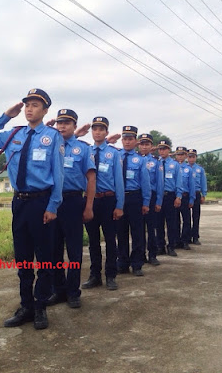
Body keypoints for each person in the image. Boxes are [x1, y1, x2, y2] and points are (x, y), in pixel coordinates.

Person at [0, 88, 64, 330]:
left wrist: (53, 205)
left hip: (41, 202)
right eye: (27, 105)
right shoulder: (13, 135)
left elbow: (58, 174)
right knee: (23, 258)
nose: (29, 109)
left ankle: (41, 306)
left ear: (45, 111)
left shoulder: (52, 137)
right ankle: (26, 306)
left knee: (44, 258)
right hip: (19, 203)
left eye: (35, 105)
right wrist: (5, 116)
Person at [47, 109, 96, 308]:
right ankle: (58, 290)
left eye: (67, 123)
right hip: (52, 203)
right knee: (53, 249)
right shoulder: (50, 144)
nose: (62, 126)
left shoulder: (83, 149)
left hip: (74, 202)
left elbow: (91, 178)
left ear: (75, 126)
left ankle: (73, 291)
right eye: (59, 123)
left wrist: (89, 206)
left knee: (74, 250)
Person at [82, 117, 124, 290]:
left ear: (106, 132)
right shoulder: (85, 151)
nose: (97, 132)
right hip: (90, 201)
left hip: (108, 200)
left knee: (110, 240)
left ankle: (111, 275)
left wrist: (119, 205)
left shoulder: (113, 153)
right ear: (92, 132)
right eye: (95, 129)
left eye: (101, 129)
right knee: (93, 241)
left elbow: (119, 181)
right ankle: (95, 275)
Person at [117, 126, 151, 276]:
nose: (127, 141)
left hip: (134, 197)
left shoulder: (140, 160)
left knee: (137, 232)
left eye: (130, 139)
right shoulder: (116, 156)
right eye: (125, 139)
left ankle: (137, 264)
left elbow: (145, 183)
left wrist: (146, 202)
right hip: (119, 198)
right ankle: (122, 263)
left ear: (135, 141)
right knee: (121, 232)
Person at [138, 133, 163, 265]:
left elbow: (160, 183)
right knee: (139, 228)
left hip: (152, 197)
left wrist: (158, 201)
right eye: (142, 144)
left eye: (147, 144)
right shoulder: (134, 159)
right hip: (138, 196)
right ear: (138, 145)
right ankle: (140, 255)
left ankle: (152, 255)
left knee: (151, 227)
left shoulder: (155, 161)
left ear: (151, 146)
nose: (144, 146)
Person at [156, 140, 183, 257]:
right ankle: (160, 246)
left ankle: (171, 246)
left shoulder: (175, 164)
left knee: (171, 223)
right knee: (158, 223)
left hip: (170, 196)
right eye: (160, 149)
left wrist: (178, 196)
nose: (162, 151)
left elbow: (179, 182)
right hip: (158, 197)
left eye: (164, 148)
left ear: (169, 150)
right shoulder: (156, 163)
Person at [174, 146, 195, 250]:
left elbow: (192, 185)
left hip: (185, 197)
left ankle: (185, 241)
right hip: (175, 197)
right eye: (178, 154)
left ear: (186, 156)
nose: (180, 157)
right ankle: (176, 240)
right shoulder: (172, 166)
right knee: (175, 220)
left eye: (182, 154)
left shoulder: (188, 169)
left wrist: (192, 199)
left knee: (186, 220)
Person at [187, 149, 207, 245]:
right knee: (186, 217)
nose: (191, 159)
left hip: (196, 193)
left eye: (193, 157)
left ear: (196, 157)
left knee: (196, 216)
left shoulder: (199, 169)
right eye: (189, 156)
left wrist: (204, 194)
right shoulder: (182, 168)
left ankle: (195, 236)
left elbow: (203, 182)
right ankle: (186, 237)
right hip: (186, 194)